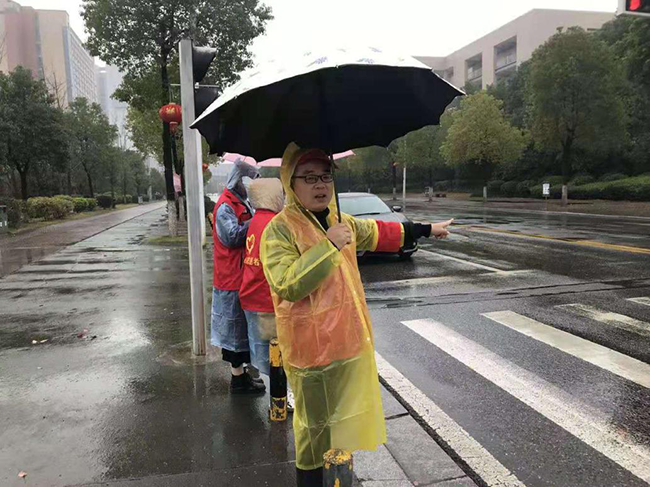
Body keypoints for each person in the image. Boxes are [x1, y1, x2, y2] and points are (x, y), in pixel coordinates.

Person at [260, 143, 452, 486]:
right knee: (314, 431)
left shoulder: (341, 221)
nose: (320, 185)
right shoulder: (280, 229)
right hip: (310, 351)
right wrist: (328, 245)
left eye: (326, 176)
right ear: (291, 182)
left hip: (347, 345)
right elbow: (287, 284)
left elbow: (377, 233)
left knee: (342, 430)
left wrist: (426, 229)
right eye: (309, 177)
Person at [211, 159, 265, 394]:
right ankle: (237, 380)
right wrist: (257, 222)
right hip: (231, 278)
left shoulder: (239, 202)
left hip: (241, 275)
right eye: (245, 181)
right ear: (236, 181)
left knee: (241, 329)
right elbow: (232, 236)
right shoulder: (225, 206)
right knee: (233, 331)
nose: (248, 186)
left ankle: (242, 376)